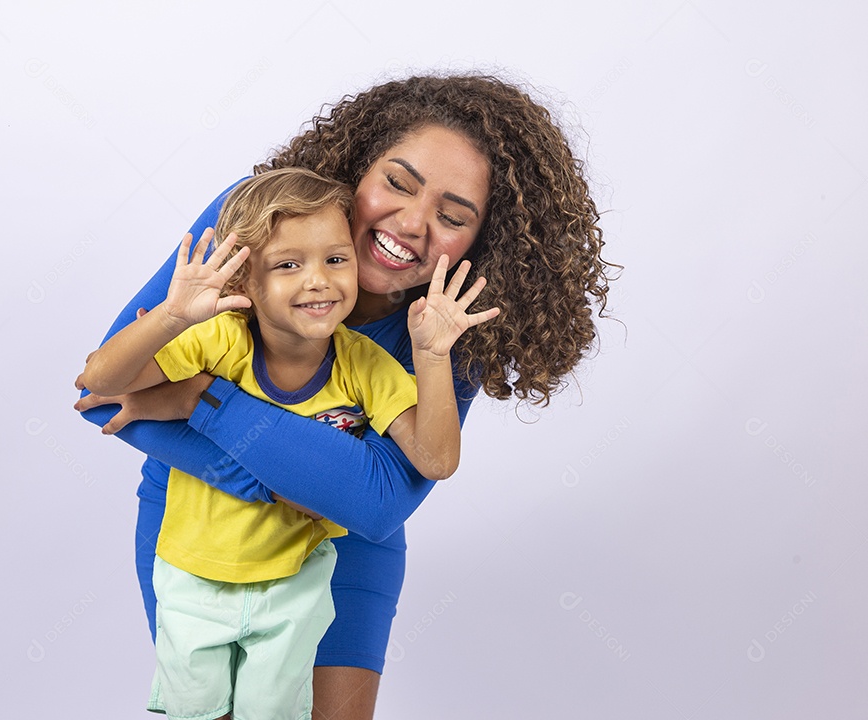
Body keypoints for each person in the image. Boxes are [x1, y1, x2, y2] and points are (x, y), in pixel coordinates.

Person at [75, 73, 615, 719]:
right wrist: (274, 483)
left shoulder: (452, 322)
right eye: (397, 182)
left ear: (482, 242)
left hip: (347, 546)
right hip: (202, 523)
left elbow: (381, 500)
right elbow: (106, 393)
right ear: (357, 171)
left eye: (452, 216)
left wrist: (201, 401)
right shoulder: (256, 219)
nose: (412, 224)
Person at [79, 168, 496, 719]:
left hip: (299, 582)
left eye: (335, 259)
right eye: (289, 265)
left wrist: (434, 356)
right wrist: (173, 315)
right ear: (246, 280)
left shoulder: (367, 363)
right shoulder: (223, 335)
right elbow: (99, 386)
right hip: (198, 569)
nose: (318, 280)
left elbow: (434, 460)